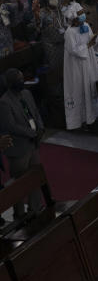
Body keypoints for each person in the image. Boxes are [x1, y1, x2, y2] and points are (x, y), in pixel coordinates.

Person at [0, 69, 45, 217]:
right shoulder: (4, 102)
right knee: (18, 185)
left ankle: (35, 210)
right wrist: (32, 132)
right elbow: (11, 126)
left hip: (33, 144)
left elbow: (35, 112)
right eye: (19, 80)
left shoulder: (26, 94)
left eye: (22, 78)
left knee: (35, 178)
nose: (22, 82)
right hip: (19, 148)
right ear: (11, 84)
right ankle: (19, 215)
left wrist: (40, 127)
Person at [62, 3, 98, 130]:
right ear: (74, 17)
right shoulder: (69, 32)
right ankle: (82, 120)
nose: (83, 15)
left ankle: (94, 115)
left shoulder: (86, 26)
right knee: (80, 88)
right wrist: (88, 45)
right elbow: (73, 50)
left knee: (92, 85)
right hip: (77, 65)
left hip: (89, 60)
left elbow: (91, 41)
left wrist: (97, 38)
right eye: (80, 13)